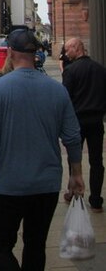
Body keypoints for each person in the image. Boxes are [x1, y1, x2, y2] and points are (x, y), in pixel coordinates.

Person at [0, 28, 84, 271]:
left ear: (12, 53)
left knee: (0, 244)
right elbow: (72, 137)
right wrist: (76, 174)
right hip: (46, 184)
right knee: (36, 245)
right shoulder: (57, 90)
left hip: (8, 185)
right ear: (36, 53)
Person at [62, 37, 106, 212]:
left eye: (67, 50)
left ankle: (73, 192)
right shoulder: (100, 69)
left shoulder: (70, 71)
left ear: (76, 48)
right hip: (96, 121)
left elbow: (65, 99)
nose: (66, 53)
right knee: (97, 161)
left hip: (76, 122)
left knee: (74, 158)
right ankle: (96, 200)